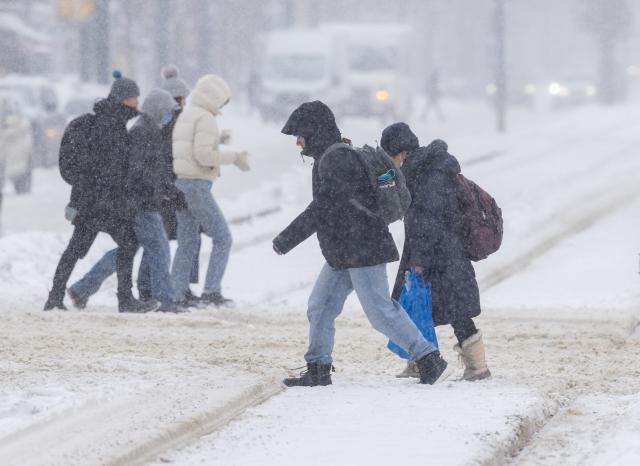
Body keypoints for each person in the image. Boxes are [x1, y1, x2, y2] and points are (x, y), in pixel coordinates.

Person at [272, 101, 451, 387]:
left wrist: (287, 239)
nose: (297, 142)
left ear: (313, 132)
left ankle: (428, 358)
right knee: (321, 305)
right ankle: (318, 367)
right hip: (345, 250)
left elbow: (323, 208)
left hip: (362, 248)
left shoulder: (336, 160)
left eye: (300, 135)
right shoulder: (330, 157)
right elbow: (329, 207)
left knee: (380, 311)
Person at [380, 122, 491, 381]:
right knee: (414, 307)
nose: (391, 164)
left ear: (401, 152)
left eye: (391, 156)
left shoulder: (430, 174)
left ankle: (477, 367)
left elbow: (428, 219)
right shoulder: (422, 170)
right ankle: (419, 361)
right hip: (436, 251)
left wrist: (419, 260)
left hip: (443, 255)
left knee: (456, 313)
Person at [44, 70, 153, 313]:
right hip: (102, 203)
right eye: (134, 97)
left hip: (90, 201)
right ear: (124, 99)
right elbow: (111, 169)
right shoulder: (111, 126)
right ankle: (124, 300)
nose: (137, 102)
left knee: (77, 249)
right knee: (126, 242)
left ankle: (55, 296)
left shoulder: (108, 121)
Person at [67, 89, 183, 313]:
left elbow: (153, 171)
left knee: (126, 251)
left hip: (140, 201)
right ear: (158, 110)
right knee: (159, 249)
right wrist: (160, 190)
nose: (170, 116)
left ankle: (82, 289)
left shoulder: (149, 129)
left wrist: (169, 190)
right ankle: (166, 302)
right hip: (142, 203)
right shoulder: (143, 132)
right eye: (168, 111)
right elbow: (140, 171)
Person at [170, 74, 250, 307]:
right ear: (214, 98)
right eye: (223, 101)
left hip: (181, 183)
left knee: (188, 241)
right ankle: (211, 291)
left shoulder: (188, 114)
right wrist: (235, 157)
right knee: (223, 237)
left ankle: (177, 292)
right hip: (197, 185)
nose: (223, 106)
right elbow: (203, 156)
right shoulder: (205, 118)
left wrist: (218, 138)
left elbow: (189, 146)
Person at [156, 65, 201, 306]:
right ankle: (176, 288)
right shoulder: (177, 122)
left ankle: (178, 286)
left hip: (170, 186)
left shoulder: (165, 120)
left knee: (180, 238)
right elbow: (172, 155)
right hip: (175, 187)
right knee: (182, 238)